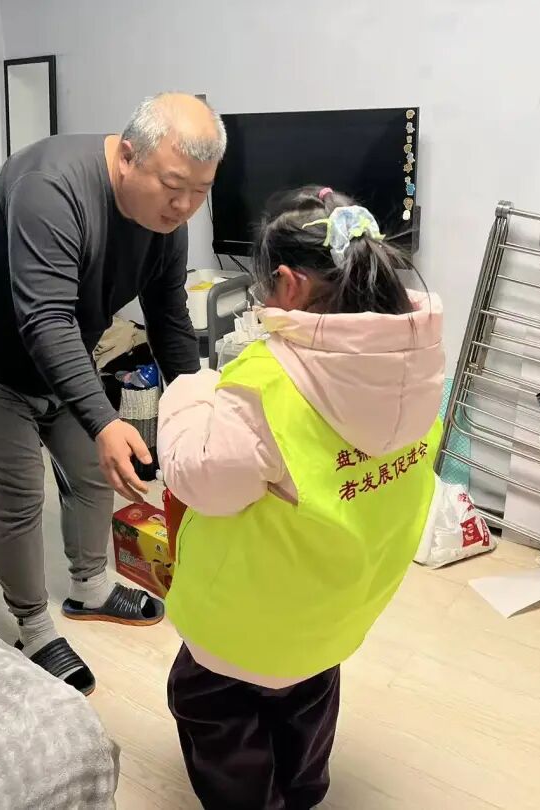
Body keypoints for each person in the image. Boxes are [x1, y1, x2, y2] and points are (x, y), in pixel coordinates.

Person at [0, 93, 226, 695]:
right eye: (173, 186)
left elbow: (168, 315)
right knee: (19, 497)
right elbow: (45, 318)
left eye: (201, 190)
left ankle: (89, 587)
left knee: (92, 472)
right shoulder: (50, 187)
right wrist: (106, 421)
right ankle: (33, 628)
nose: (184, 205)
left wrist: (195, 401)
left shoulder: (168, 221)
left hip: (58, 349)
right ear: (128, 156)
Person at [157, 187, 445, 809]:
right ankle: (304, 790)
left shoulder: (268, 385)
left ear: (288, 284)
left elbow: (199, 480)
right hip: (338, 607)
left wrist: (188, 391)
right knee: (308, 697)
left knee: (208, 703)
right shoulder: (419, 366)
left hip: (247, 621)